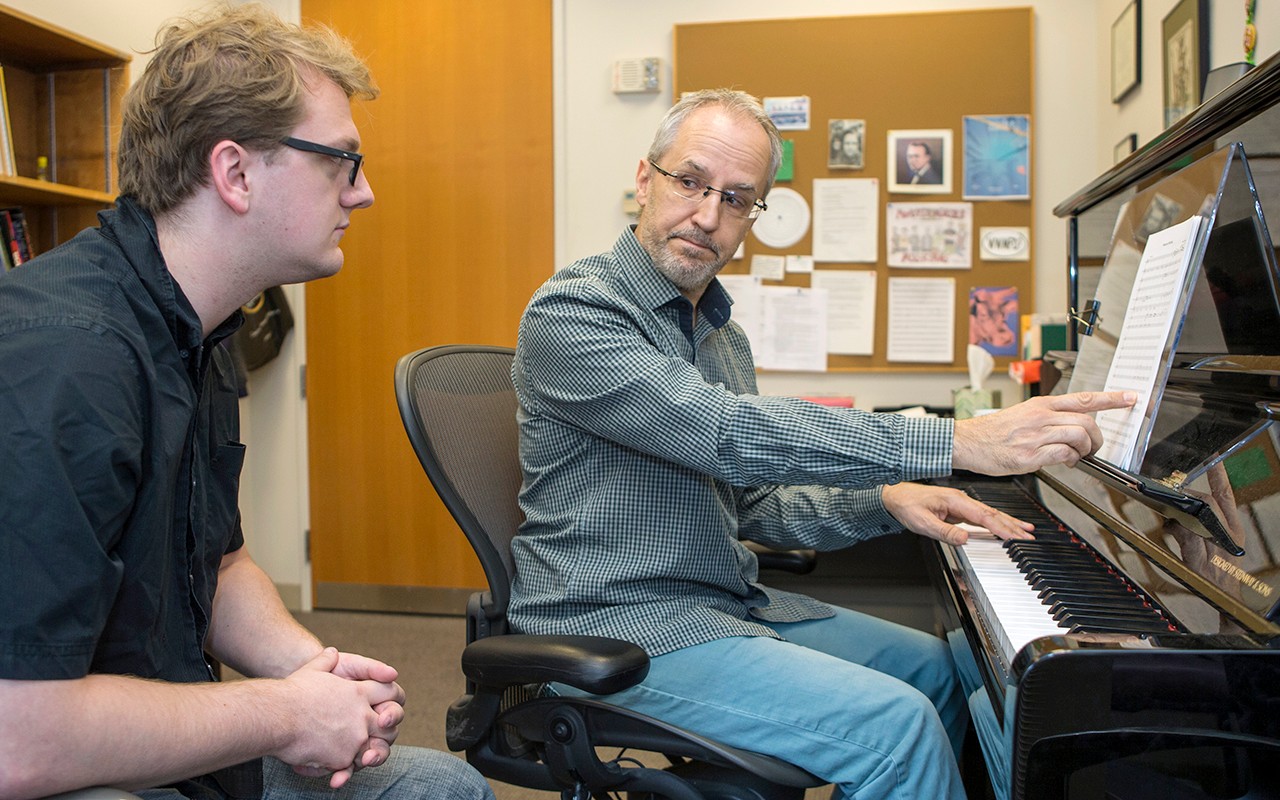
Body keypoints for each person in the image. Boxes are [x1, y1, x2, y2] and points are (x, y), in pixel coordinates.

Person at [507, 88, 1134, 800]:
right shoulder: (574, 312)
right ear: (645, 179)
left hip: (724, 607)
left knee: (942, 672)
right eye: (690, 182)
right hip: (615, 626)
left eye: (738, 199)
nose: (708, 215)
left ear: (753, 216)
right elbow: (726, 434)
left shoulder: (721, 334)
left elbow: (756, 507)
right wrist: (955, 439)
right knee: (898, 729)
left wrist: (885, 500)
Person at [0, 6, 491, 800]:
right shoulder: (67, 360)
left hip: (156, 734)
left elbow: (219, 561)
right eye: (342, 162)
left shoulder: (205, 329)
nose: (364, 194)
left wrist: (313, 675)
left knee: (441, 787)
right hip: (57, 759)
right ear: (234, 173)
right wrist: (284, 713)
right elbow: (15, 735)